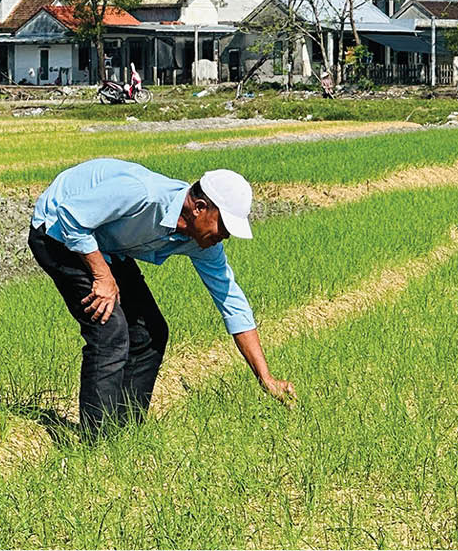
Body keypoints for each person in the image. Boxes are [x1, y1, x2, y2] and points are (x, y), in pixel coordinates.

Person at [28, 159, 295, 439]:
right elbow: (72, 216)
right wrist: (102, 276)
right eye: (224, 225)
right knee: (110, 329)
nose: (225, 236)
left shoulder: (201, 242)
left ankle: (126, 433)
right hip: (57, 230)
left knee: (150, 332)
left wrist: (265, 378)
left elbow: (231, 301)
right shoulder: (143, 194)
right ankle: (96, 443)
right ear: (200, 207)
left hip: (103, 242)